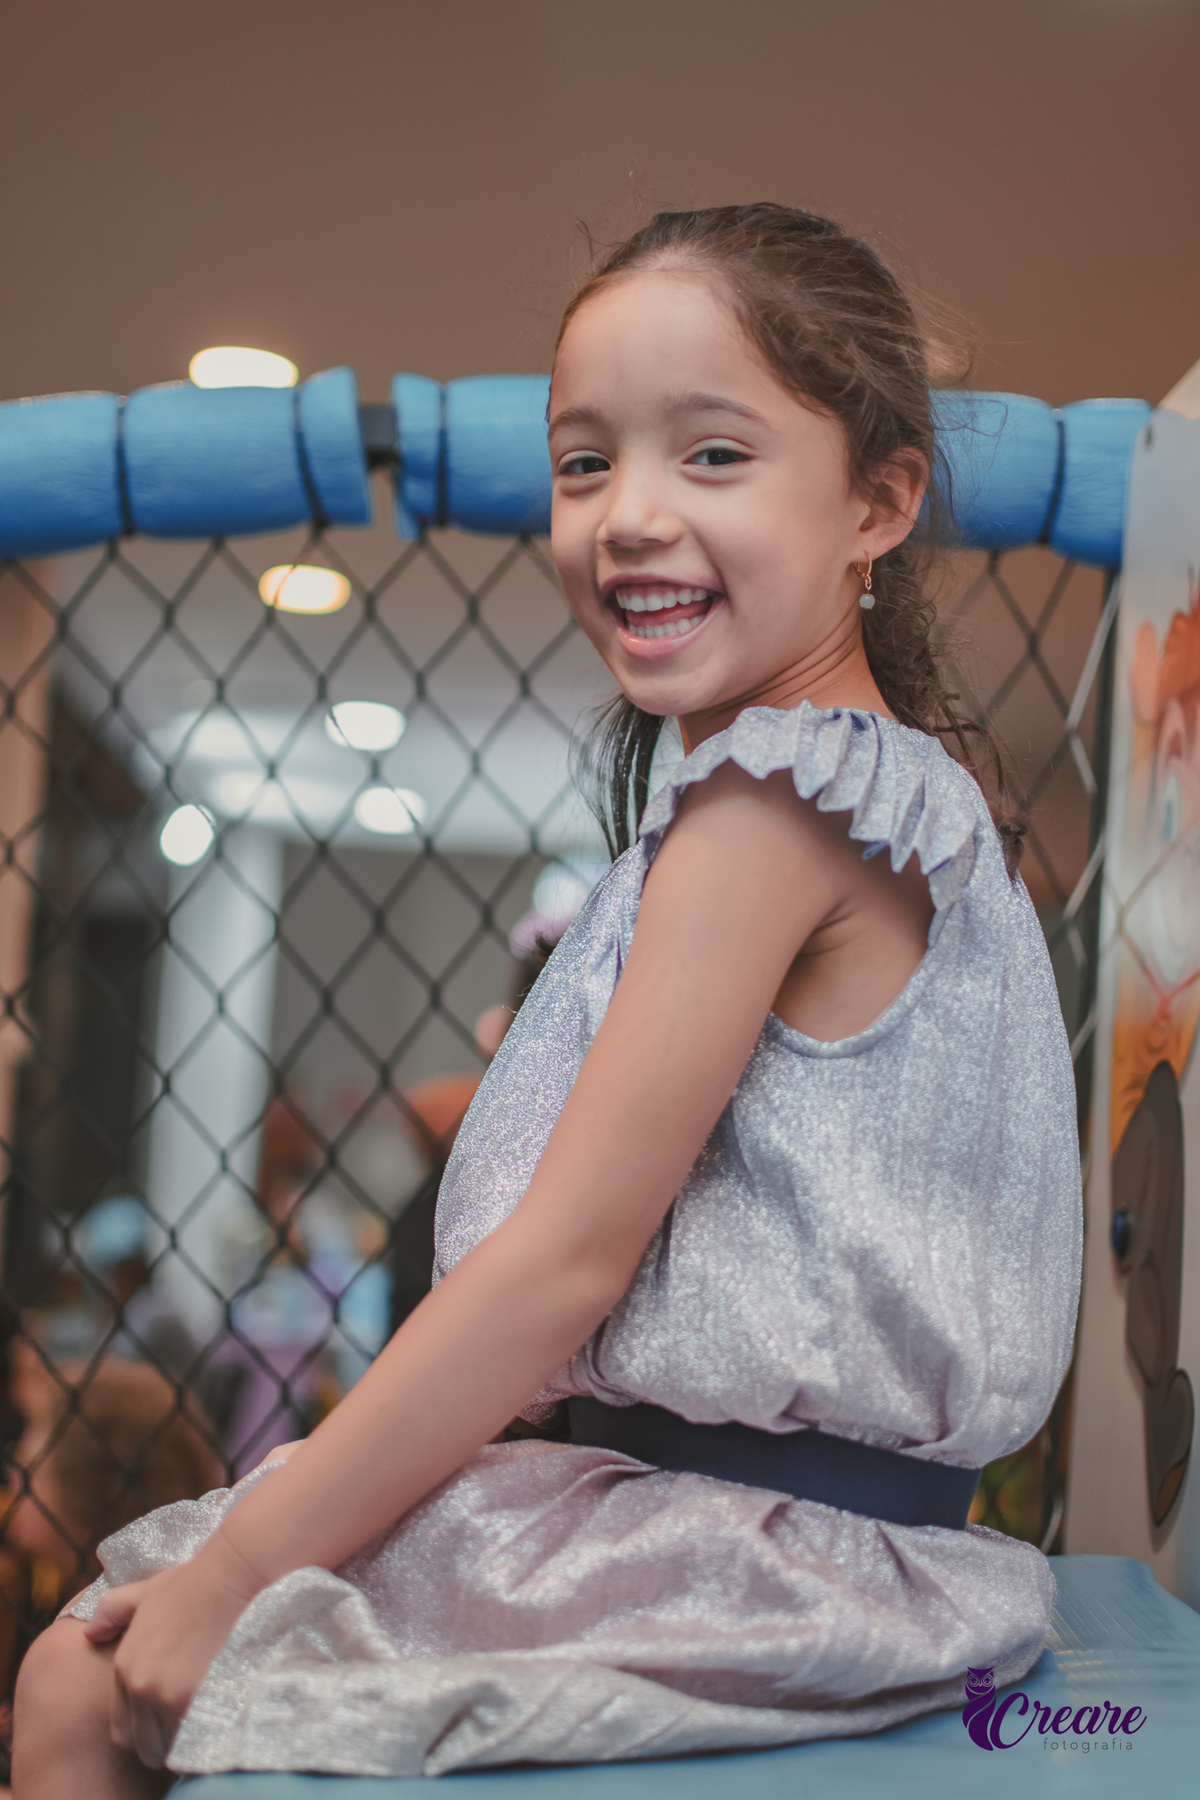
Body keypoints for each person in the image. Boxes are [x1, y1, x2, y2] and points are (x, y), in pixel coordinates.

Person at [13, 204, 1082, 1794]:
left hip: (737, 1557)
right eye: (586, 463)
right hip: (823, 1544)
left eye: (712, 456)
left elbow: (560, 1268)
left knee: (75, 1677)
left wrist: (235, 1575)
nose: (629, 514)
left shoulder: (778, 804)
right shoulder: (895, 796)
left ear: (879, 500)